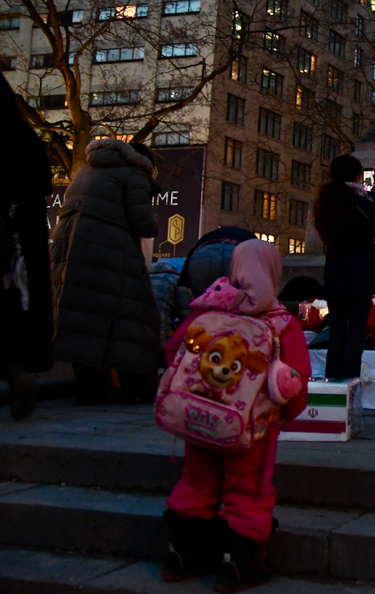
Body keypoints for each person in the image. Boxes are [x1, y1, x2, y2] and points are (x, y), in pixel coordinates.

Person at [161, 239, 310, 590]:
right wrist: (282, 413)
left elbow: (173, 351)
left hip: (200, 418)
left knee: (196, 481)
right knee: (248, 490)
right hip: (252, 430)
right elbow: (296, 384)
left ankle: (180, 554)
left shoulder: (209, 308)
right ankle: (238, 565)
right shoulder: (282, 323)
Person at [51, 138, 162, 404]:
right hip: (110, 250)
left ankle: (89, 388)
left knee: (81, 318)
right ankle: (134, 385)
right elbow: (143, 223)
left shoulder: (85, 171)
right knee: (131, 317)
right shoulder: (135, 173)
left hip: (70, 250)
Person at [0, 74, 54, 419]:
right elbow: (44, 185)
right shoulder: (26, 136)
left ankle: (15, 374)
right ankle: (17, 372)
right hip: (22, 241)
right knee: (13, 310)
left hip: (8, 235)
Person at [313, 154, 375, 378]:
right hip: (360, 272)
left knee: (337, 331)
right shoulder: (358, 201)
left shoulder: (325, 201)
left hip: (335, 271)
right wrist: (374, 193)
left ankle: (333, 378)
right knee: (356, 331)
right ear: (356, 176)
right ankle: (348, 380)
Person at [176, 227, 256, 323]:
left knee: (203, 305)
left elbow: (184, 287)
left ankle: (198, 330)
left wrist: (185, 322)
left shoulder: (208, 238)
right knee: (237, 305)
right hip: (239, 250)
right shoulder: (254, 243)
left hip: (203, 251)